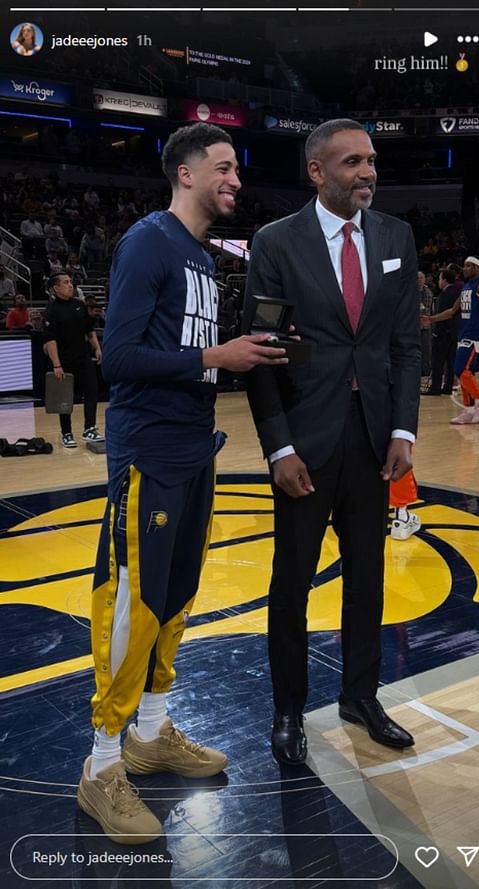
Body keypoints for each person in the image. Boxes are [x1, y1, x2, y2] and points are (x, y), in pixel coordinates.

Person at [76, 123, 288, 844]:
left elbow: (192, 355)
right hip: (148, 453)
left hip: (194, 449)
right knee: (134, 605)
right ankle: (102, 767)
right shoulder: (147, 242)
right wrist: (216, 354)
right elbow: (121, 359)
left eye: (237, 170)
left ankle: (153, 729)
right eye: (223, 168)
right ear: (186, 172)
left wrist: (240, 356)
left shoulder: (200, 255)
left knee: (175, 599)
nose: (235, 180)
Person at [243, 119, 421, 765]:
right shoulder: (275, 242)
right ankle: (289, 710)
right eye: (352, 162)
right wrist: (278, 448)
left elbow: (405, 345)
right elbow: (260, 353)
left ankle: (360, 696)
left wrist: (403, 427)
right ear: (317, 171)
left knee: (368, 580)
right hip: (304, 445)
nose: (368, 172)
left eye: (371, 160)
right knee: (291, 585)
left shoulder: (397, 236)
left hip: (374, 438)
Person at [425, 256, 479, 424]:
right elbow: (452, 311)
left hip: (476, 335)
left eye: (468, 266)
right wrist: (431, 319)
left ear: (478, 268)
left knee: (460, 370)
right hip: (464, 333)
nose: (464, 269)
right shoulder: (467, 286)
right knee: (467, 373)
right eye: (464, 266)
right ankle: (469, 409)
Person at [43, 273, 104, 447]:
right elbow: (50, 340)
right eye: (66, 282)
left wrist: (97, 348)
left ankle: (89, 428)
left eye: (71, 282)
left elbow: (89, 330)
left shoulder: (79, 305)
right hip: (64, 361)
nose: (71, 285)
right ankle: (67, 433)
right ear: (56, 288)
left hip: (83, 357)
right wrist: (57, 365)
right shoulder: (51, 311)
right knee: (65, 397)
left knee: (92, 390)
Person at [424, 267, 460, 396]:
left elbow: (444, 315)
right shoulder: (457, 292)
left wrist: (434, 327)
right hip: (454, 331)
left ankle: (435, 387)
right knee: (451, 361)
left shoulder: (445, 294)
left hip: (443, 332)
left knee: (437, 361)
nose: (439, 282)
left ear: (444, 279)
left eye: (439, 278)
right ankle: (448, 386)